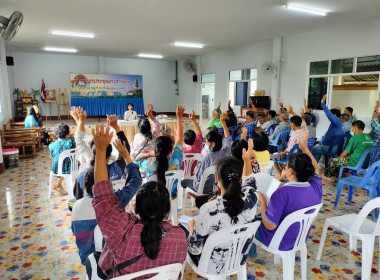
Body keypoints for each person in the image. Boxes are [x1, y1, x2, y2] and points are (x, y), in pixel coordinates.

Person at [89, 124, 187, 279]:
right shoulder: (180, 237)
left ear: (135, 207)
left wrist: (101, 152)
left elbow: (103, 198)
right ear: (168, 206)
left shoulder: (121, 230)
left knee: (93, 259)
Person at [187, 140, 258, 274]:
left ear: (217, 178)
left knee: (186, 232)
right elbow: (250, 182)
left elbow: (194, 249)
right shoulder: (252, 198)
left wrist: (191, 231)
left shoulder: (208, 209)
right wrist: (247, 161)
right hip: (239, 259)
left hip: (212, 267)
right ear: (240, 179)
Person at [71, 139, 142, 265]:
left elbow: (76, 198)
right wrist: (126, 156)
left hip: (88, 260)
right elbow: (136, 181)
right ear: (106, 184)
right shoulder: (114, 200)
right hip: (113, 258)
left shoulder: (76, 206)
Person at [254, 131, 322, 252]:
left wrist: (263, 202)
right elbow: (316, 168)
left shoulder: (283, 193)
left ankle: (248, 254)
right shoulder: (316, 186)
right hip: (299, 239)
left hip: (278, 242)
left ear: (290, 171)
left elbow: (270, 226)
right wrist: (305, 149)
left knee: (248, 222)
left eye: (285, 166)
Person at [71, 107, 131, 199]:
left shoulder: (82, 176)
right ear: (110, 155)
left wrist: (80, 122)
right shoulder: (117, 169)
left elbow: (78, 198)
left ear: (93, 152)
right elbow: (126, 149)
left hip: (89, 209)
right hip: (113, 206)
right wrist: (116, 127)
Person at [135, 105, 185, 185]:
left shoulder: (149, 165)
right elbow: (179, 138)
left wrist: (149, 154)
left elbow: (136, 159)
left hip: (154, 196)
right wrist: (179, 118)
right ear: (171, 150)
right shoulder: (176, 160)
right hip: (172, 195)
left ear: (156, 149)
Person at [186, 112, 232, 194]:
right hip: (218, 188)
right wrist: (223, 122)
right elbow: (228, 139)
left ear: (212, 144)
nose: (205, 144)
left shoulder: (206, 158)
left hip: (203, 188)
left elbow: (199, 176)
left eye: (206, 142)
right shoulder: (225, 153)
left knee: (195, 181)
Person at [311, 94, 344, 163]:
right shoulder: (339, 122)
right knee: (318, 149)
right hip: (332, 147)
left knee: (309, 150)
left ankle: (312, 168)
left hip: (329, 148)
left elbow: (328, 114)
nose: (329, 118)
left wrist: (322, 103)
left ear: (334, 115)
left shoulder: (337, 121)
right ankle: (315, 167)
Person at [49, 123, 76, 195]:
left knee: (60, 163)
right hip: (70, 167)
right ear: (67, 133)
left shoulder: (51, 145)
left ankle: (58, 185)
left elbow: (53, 156)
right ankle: (57, 185)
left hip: (55, 167)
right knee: (74, 163)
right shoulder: (71, 142)